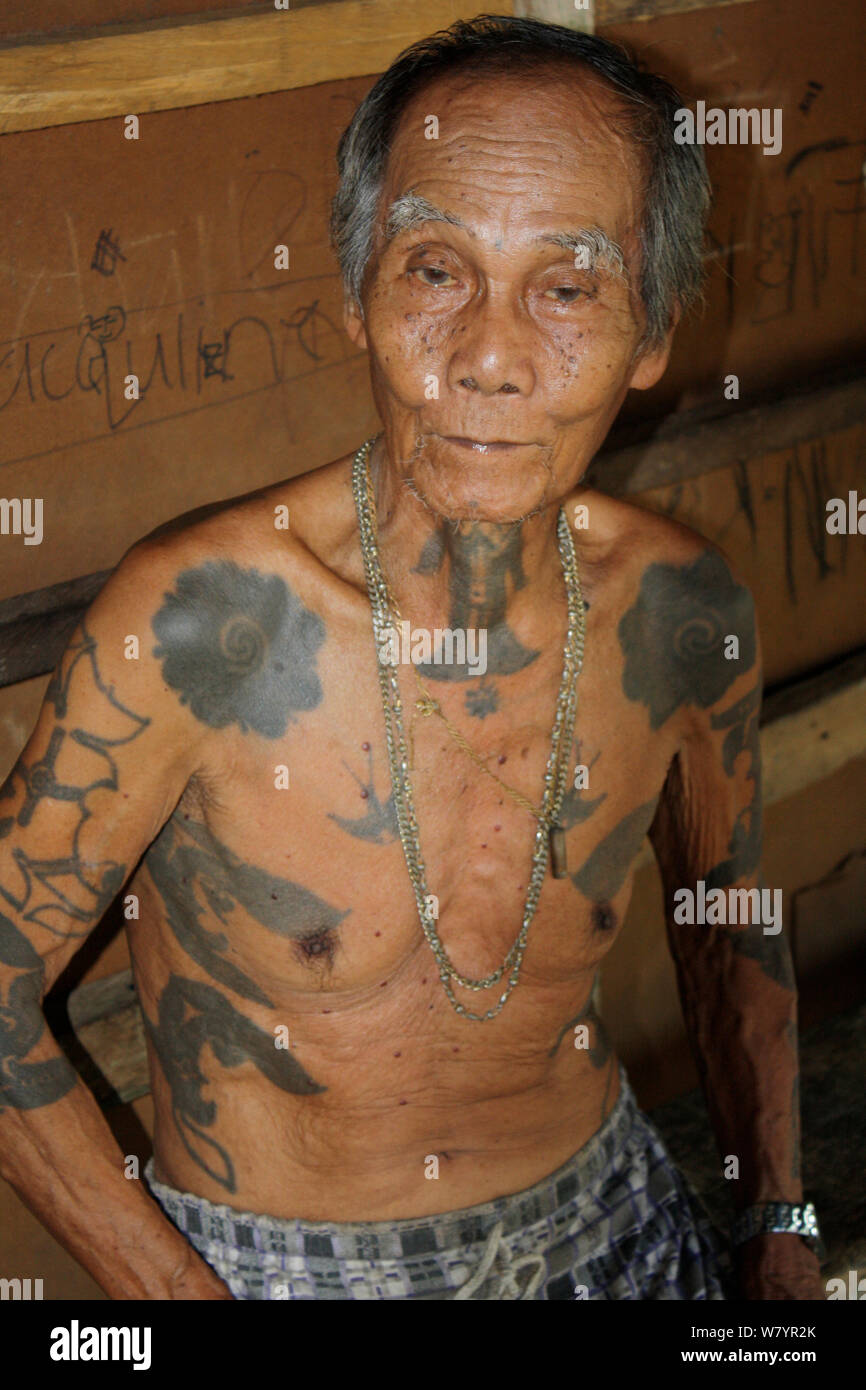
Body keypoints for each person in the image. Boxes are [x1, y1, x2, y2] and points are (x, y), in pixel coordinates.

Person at [0, 15, 823, 1299]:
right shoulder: (207, 626)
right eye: (435, 270)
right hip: (276, 1272)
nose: (489, 358)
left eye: (567, 287)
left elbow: (725, 917)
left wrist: (778, 1214)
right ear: (355, 296)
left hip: (611, 1225)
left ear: (652, 332)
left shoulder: (675, 612)